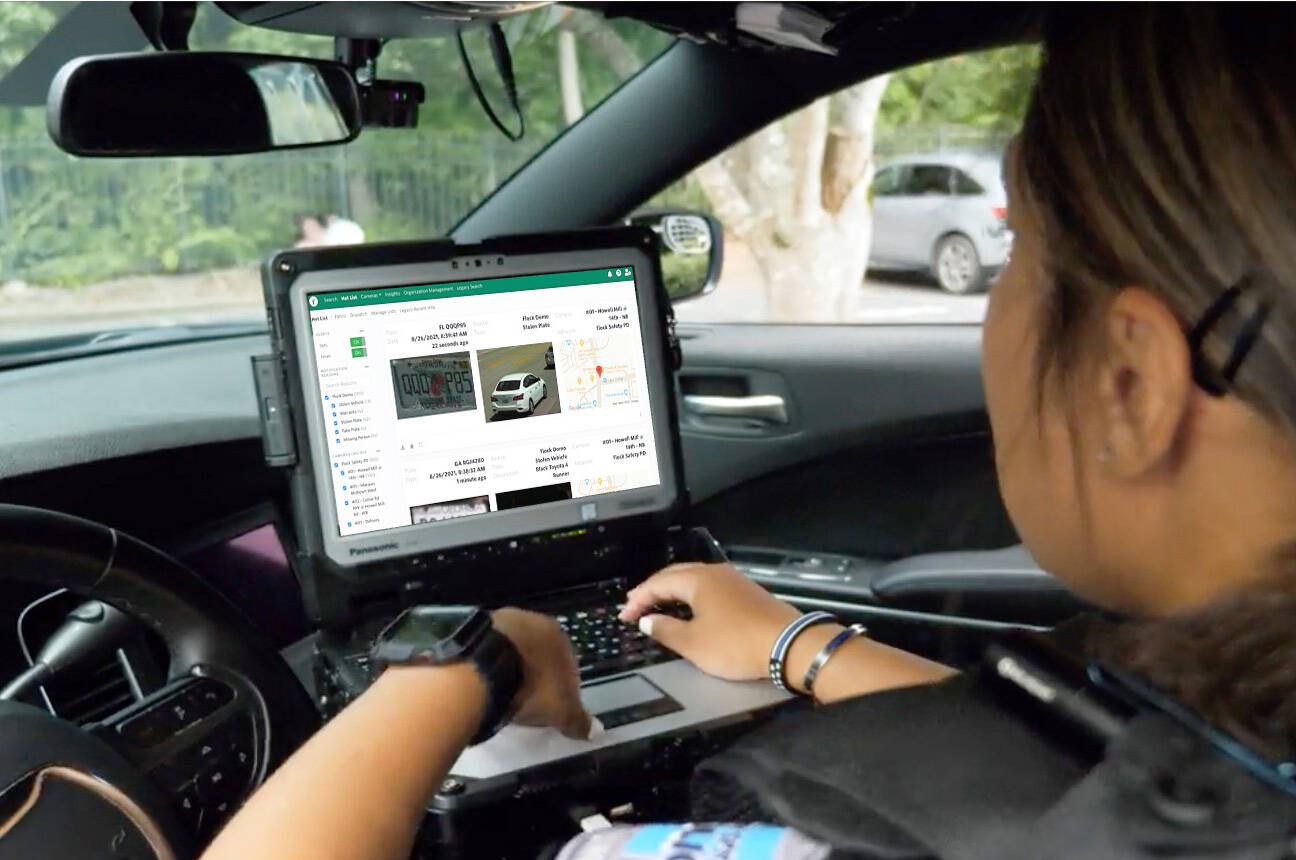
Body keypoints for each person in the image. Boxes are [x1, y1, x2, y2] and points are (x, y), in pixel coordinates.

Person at [204, 6, 1296, 859]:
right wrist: (794, 645)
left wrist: (458, 671)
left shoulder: (834, 830)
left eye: (1019, 262)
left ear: (1131, 383)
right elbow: (1057, 757)